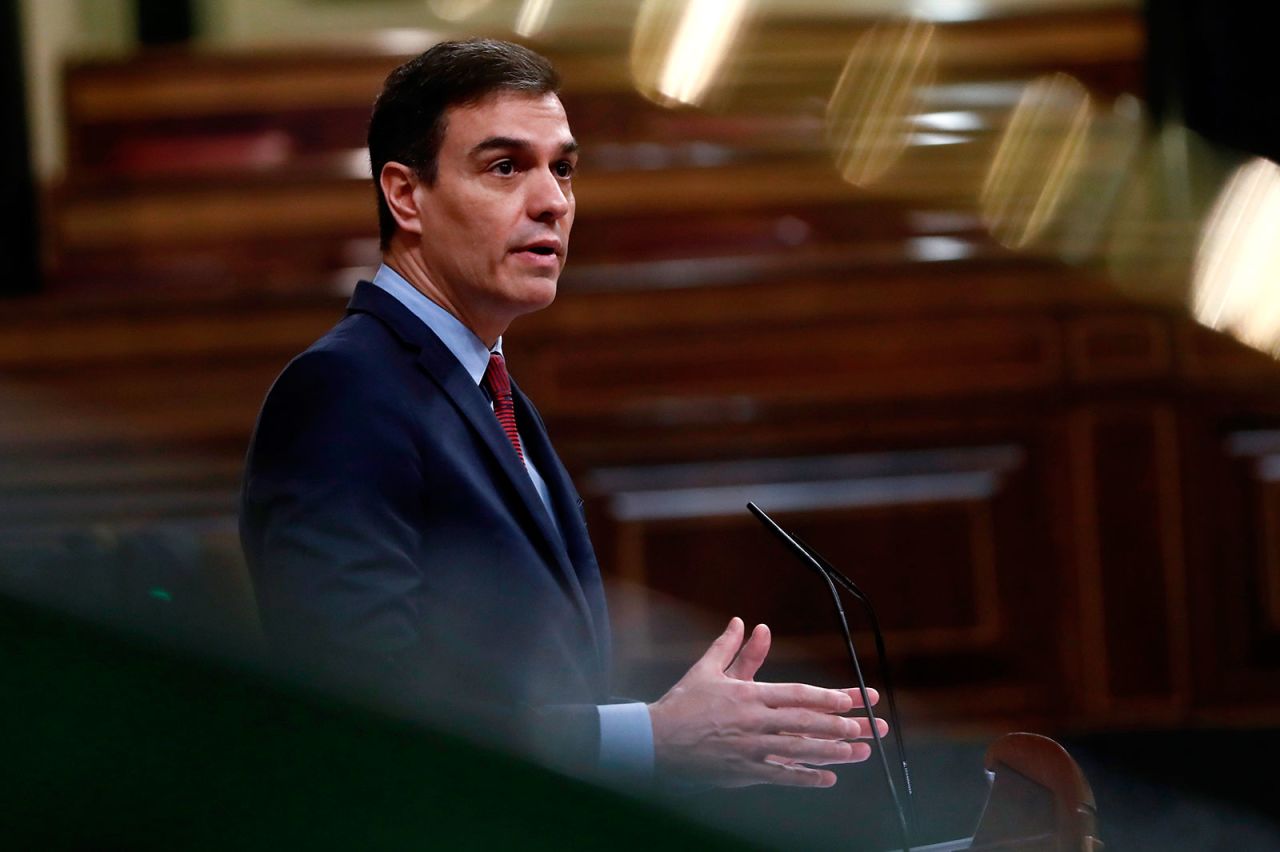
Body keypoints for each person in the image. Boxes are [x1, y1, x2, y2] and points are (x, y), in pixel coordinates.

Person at [241, 37, 883, 787]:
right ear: (405, 195)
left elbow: (527, 688)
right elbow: (368, 713)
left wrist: (675, 751)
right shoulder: (345, 391)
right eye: (505, 166)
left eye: (563, 168)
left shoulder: (484, 386)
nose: (551, 200)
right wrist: (652, 738)